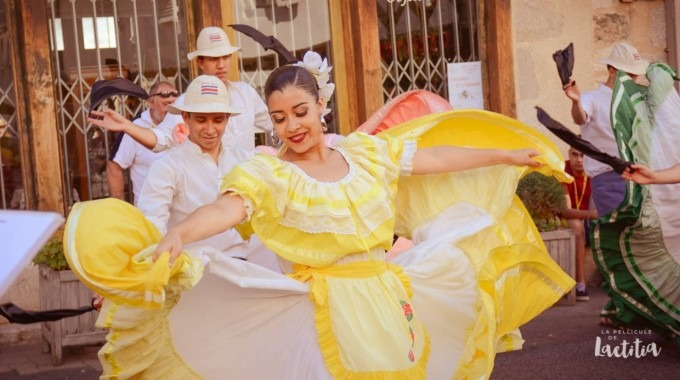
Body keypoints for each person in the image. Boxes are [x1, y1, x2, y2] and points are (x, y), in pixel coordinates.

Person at [73, 64, 574, 379]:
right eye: (279, 117)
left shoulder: (365, 155)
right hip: (326, 309)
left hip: (388, 296)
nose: (292, 126)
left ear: (321, 109)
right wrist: (179, 233)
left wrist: (510, 154)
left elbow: (434, 158)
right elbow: (227, 208)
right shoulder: (270, 173)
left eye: (300, 112)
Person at [101, 26, 272, 153]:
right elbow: (162, 139)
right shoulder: (187, 102)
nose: (221, 65)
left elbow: (274, 126)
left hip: (246, 187)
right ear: (200, 62)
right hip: (207, 189)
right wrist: (128, 127)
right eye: (213, 59)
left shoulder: (246, 93)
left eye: (225, 57)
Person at [562, 41, 648, 217]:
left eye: (635, 75)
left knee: (641, 237)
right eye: (628, 74)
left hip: (641, 176)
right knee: (620, 236)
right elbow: (580, 117)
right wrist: (576, 101)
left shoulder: (635, 101)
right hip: (610, 179)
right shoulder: (592, 98)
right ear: (611, 70)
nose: (633, 80)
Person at [106, 81, 178, 204]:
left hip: (182, 212)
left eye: (173, 104)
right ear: (151, 102)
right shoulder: (134, 128)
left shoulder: (183, 122)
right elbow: (114, 166)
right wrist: (121, 209)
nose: (170, 110)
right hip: (149, 212)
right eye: (166, 104)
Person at [560, 147, 598, 301]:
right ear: (569, 154)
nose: (579, 160)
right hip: (567, 221)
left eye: (583, 155)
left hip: (590, 219)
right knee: (576, 225)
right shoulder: (563, 170)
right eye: (575, 155)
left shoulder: (596, 172)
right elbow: (565, 211)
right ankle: (580, 283)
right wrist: (591, 214)